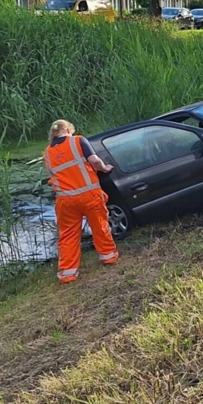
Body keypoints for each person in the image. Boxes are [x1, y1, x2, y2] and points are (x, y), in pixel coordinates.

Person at [42, 119, 119, 283]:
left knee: (68, 236)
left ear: (53, 134)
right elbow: (95, 161)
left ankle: (68, 274)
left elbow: (54, 175)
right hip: (89, 194)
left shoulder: (47, 153)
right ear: (69, 129)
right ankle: (108, 257)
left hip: (65, 200)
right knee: (99, 225)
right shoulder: (78, 141)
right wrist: (105, 168)